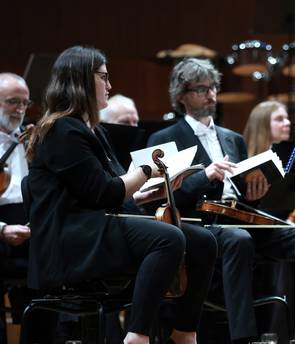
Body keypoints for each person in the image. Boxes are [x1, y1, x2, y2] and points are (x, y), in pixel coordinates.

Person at [25, 46, 217, 344]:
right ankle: (136, 336)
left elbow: (110, 189)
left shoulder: (91, 130)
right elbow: (105, 192)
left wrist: (151, 189)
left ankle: (184, 333)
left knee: (203, 241)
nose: (110, 85)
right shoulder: (63, 131)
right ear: (81, 81)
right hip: (71, 241)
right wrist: (147, 171)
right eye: (103, 77)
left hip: (95, 228)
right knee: (168, 237)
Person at [147, 58, 295, 344]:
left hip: (239, 218)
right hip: (199, 225)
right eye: (201, 89)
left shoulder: (232, 139)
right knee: (238, 240)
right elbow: (166, 196)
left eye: (214, 87)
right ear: (181, 95)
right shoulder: (164, 137)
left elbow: (243, 190)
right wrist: (205, 175)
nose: (211, 94)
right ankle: (243, 337)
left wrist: (256, 190)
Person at [0, 73, 34, 342]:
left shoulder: (32, 140)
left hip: (29, 226)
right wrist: (2, 230)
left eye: (25, 103)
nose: (20, 110)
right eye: (13, 102)